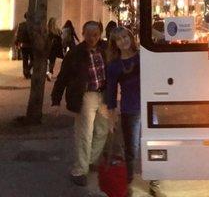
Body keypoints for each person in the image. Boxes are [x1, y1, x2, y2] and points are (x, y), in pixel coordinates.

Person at [106, 27, 164, 196]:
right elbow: (110, 93)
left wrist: (150, 29)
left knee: (155, 145)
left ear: (131, 37)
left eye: (125, 37)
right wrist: (111, 116)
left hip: (150, 106)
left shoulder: (143, 56)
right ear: (114, 44)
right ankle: (128, 181)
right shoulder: (114, 66)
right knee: (132, 150)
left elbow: (164, 43)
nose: (123, 41)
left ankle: (155, 182)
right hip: (130, 110)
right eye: (119, 39)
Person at [51, 21, 109, 187]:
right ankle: (79, 170)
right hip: (86, 96)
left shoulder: (105, 50)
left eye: (96, 34)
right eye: (89, 34)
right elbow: (62, 78)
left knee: (103, 131)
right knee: (85, 134)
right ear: (83, 33)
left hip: (103, 94)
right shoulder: (75, 53)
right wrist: (56, 101)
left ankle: (89, 160)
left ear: (100, 34)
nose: (92, 38)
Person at [14, 13, 32, 79]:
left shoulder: (21, 25)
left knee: (25, 60)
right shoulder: (33, 25)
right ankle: (27, 71)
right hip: (31, 45)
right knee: (33, 60)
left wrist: (16, 43)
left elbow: (18, 35)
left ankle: (26, 73)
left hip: (23, 45)